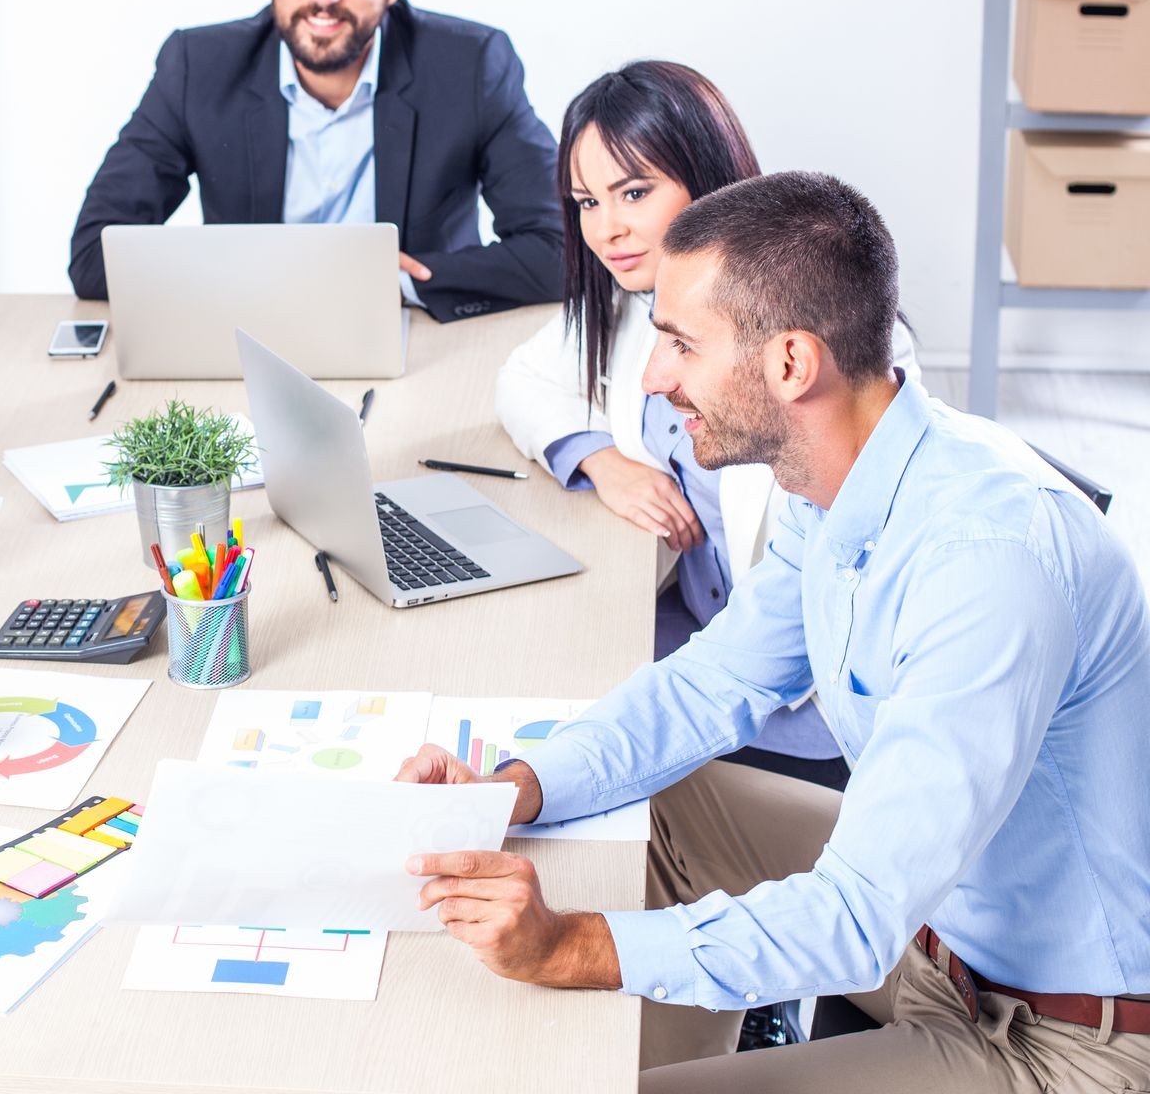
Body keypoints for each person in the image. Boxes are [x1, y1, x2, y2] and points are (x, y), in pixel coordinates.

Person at [400, 170, 1150, 1091]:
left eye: (681, 344)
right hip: (936, 934)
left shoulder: (990, 563)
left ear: (792, 364)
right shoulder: (839, 480)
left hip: (1055, 1039)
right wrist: (511, 790)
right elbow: (712, 683)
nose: (654, 377)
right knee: (666, 804)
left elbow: (855, 916)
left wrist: (573, 946)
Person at [496, 62, 918, 790]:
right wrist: (602, 461)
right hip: (704, 642)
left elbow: (813, 610)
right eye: (587, 201)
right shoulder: (635, 302)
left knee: (572, 752)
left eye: (634, 193)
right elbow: (522, 379)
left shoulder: (832, 353)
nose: (607, 229)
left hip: (795, 700)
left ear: (707, 180)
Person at [67, 0, 562, 323]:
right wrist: (259, 280)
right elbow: (93, 255)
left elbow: (561, 250)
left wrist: (396, 283)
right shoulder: (197, 67)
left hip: (416, 336)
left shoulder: (472, 65)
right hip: (248, 334)